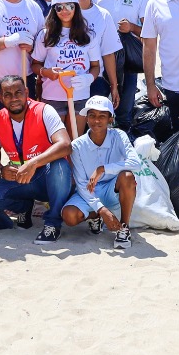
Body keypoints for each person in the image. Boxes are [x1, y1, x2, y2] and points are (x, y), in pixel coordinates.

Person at [0, 75, 75, 245]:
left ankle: (52, 223)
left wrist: (33, 163)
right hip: (20, 178)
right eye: (7, 94)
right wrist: (1, 171)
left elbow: (66, 145)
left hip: (47, 177)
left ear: (27, 92)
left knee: (60, 165)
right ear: (0, 97)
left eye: (18, 93)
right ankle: (24, 208)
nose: (14, 98)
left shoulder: (45, 111)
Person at [62, 95, 137, 247]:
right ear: (87, 118)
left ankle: (124, 227)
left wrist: (102, 169)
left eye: (102, 116)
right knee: (69, 216)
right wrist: (101, 210)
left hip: (113, 189)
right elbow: (82, 184)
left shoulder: (119, 136)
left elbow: (136, 162)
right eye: (92, 116)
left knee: (127, 176)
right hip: (89, 192)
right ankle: (95, 216)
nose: (96, 121)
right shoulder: (77, 145)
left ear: (110, 119)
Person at [35, 0, 104, 131]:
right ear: (54, 9)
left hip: (80, 95)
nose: (64, 11)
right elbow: (35, 64)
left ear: (76, 8)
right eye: (59, 7)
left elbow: (96, 66)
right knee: (56, 142)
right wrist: (46, 72)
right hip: (52, 96)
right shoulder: (45, 35)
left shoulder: (89, 35)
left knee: (75, 140)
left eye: (69, 6)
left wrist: (89, 78)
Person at [94, 0, 148, 130]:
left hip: (129, 62)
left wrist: (131, 28)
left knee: (125, 110)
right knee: (98, 107)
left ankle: (124, 146)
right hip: (100, 61)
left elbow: (149, 34)